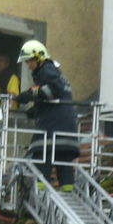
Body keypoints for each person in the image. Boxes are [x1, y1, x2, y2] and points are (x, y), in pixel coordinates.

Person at [14, 39, 79, 192]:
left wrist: (30, 94)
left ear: (39, 57)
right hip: (66, 125)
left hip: (52, 125)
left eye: (29, 61)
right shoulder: (53, 71)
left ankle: (40, 188)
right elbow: (52, 97)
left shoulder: (47, 70)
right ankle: (67, 190)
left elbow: (53, 90)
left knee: (40, 153)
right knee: (63, 158)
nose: (28, 66)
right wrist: (36, 109)